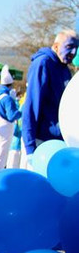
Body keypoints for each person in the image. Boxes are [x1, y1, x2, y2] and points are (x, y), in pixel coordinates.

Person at [22, 28, 78, 157]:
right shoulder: (43, 63)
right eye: (69, 47)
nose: (73, 52)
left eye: (76, 48)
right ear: (56, 46)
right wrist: (30, 146)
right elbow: (32, 105)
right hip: (42, 141)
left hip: (61, 140)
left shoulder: (65, 69)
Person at [0, 66, 22, 173]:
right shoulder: (7, 98)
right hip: (4, 130)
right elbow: (11, 116)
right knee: (1, 157)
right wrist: (21, 112)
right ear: (10, 85)